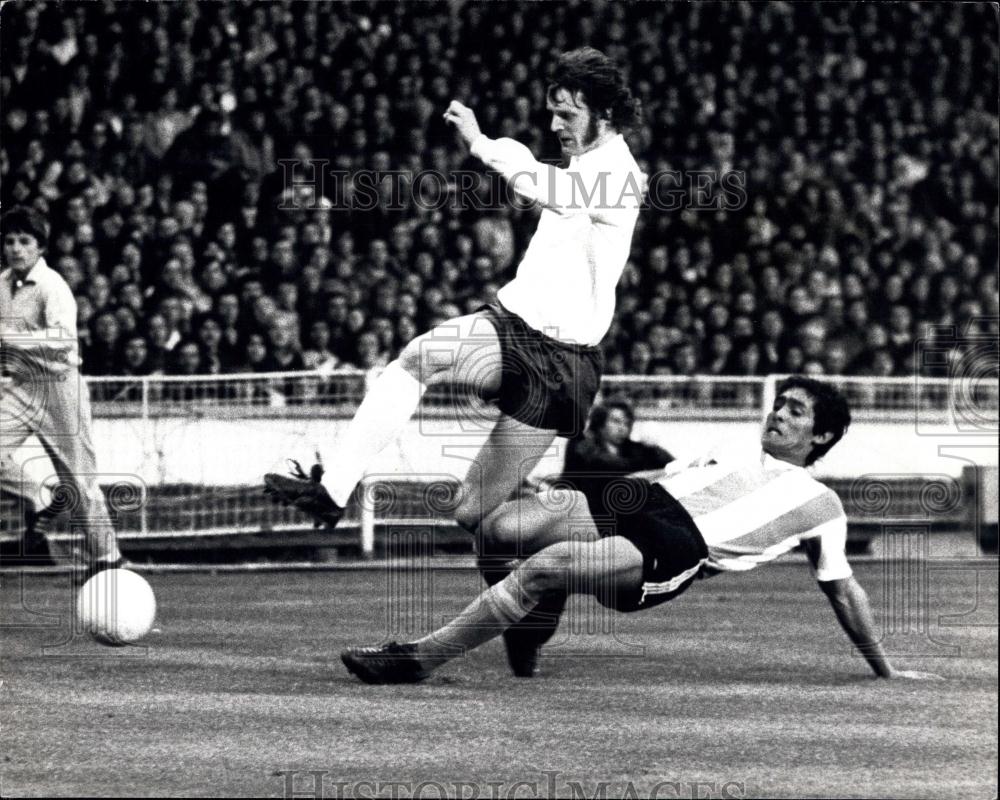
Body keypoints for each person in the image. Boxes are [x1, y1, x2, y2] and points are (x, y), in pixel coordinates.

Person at [264, 48, 646, 667]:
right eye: (552, 112)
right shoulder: (581, 164)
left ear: (603, 113)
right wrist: (490, 143)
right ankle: (333, 489)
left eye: (567, 113)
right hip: (512, 327)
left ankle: (541, 592)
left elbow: (538, 182)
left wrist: (480, 143)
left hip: (563, 362)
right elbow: (535, 170)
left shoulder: (621, 177)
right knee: (419, 357)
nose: (555, 125)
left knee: (479, 517)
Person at [341, 377, 943, 683]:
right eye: (780, 403)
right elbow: (658, 475)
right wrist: (576, 489)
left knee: (546, 568)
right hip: (638, 503)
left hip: (677, 546)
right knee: (499, 529)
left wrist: (883, 667)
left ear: (822, 436)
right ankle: (531, 625)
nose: (778, 413)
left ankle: (418, 659)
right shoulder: (729, 450)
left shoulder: (822, 505)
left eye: (795, 410)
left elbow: (843, 590)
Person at [0, 206, 125, 574]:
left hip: (59, 386)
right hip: (21, 386)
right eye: (9, 241)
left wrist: (10, 339)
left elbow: (64, 342)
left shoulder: (53, 285)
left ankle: (109, 559)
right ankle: (40, 497)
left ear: (40, 246)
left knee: (79, 479)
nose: (16, 249)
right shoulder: (2, 284)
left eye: (25, 241)